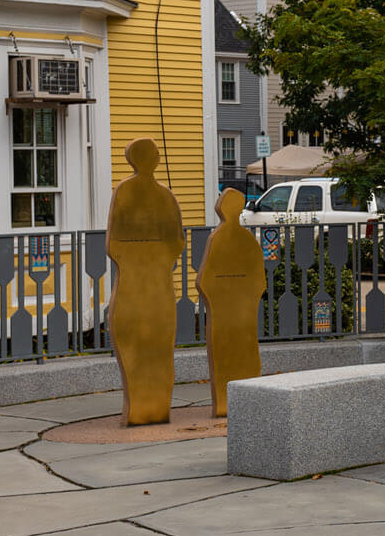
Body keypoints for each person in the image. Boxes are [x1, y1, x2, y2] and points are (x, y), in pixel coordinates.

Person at [106, 138, 182, 425]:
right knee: (159, 347)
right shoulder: (165, 196)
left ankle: (145, 408)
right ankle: (151, 406)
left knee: (141, 345)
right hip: (157, 284)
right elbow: (177, 243)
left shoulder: (126, 192)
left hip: (134, 285)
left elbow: (114, 244)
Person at [197, 188, 266, 416]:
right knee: (247, 352)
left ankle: (226, 403)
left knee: (224, 356)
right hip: (244, 314)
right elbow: (260, 280)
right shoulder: (248, 240)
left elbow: (204, 280)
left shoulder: (217, 238)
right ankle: (248, 401)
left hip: (223, 315)